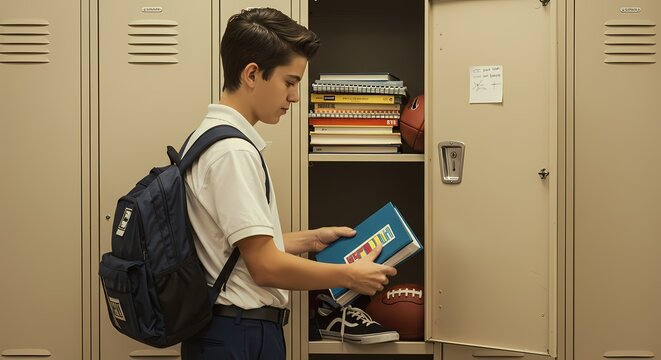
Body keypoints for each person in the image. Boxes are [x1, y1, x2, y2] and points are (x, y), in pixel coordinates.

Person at [180, 7, 397, 360]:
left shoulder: (209, 138)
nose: (295, 97)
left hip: (229, 331)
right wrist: (350, 276)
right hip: (239, 335)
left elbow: (235, 248)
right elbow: (264, 266)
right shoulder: (232, 152)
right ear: (252, 74)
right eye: (290, 83)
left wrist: (311, 239)